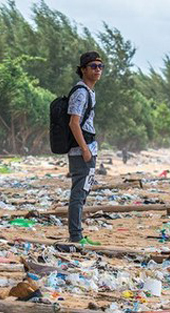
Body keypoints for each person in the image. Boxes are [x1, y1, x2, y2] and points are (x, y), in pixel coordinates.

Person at [67, 51, 103, 243]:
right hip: (81, 151)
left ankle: (78, 233)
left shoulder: (89, 92)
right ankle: (75, 236)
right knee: (78, 193)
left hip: (88, 148)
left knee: (83, 192)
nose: (98, 70)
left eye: (100, 66)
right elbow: (74, 123)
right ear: (83, 70)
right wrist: (85, 149)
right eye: (93, 66)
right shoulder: (81, 92)